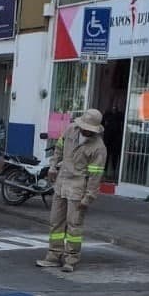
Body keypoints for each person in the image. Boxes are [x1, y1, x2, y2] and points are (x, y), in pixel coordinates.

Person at [36, 109, 107, 273]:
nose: (85, 130)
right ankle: (53, 256)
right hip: (61, 182)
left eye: (89, 128)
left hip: (78, 187)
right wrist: (53, 166)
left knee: (74, 225)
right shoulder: (70, 130)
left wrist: (88, 198)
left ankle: (71, 259)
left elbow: (95, 176)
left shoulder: (98, 148)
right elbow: (59, 149)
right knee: (56, 222)